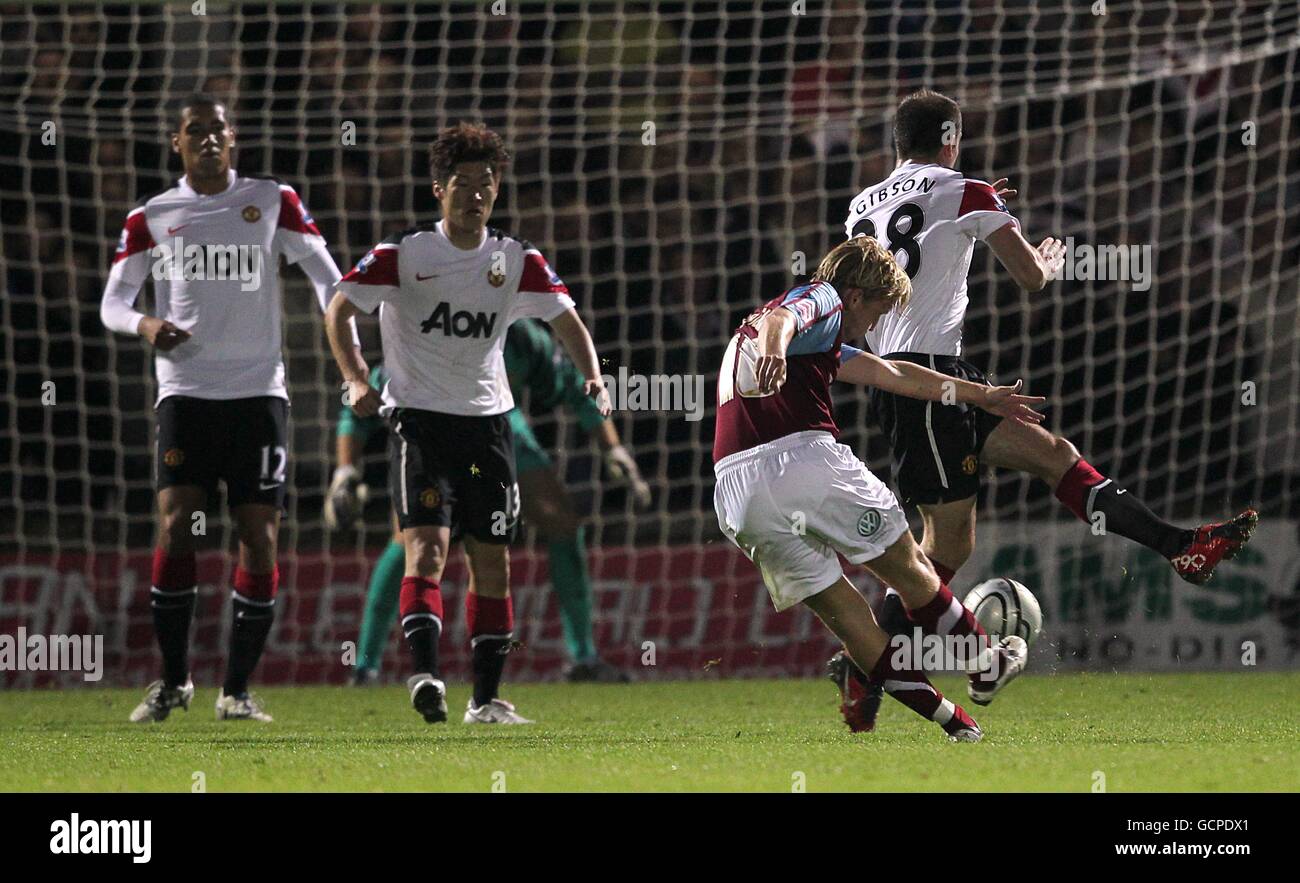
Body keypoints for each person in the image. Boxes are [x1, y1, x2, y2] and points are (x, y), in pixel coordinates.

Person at [829, 88, 1258, 730]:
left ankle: (1181, 547)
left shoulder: (863, 205)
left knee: (1053, 457)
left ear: (898, 142)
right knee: (942, 545)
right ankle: (864, 669)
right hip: (927, 382)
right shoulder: (970, 190)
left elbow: (917, 234)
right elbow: (1029, 278)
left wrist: (980, 205)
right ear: (952, 137)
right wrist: (1044, 255)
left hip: (928, 376)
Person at [323, 122, 611, 725]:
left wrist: (593, 375)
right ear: (438, 190)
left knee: (491, 561)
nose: (475, 194)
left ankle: (484, 700)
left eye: (487, 183)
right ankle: (425, 675)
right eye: (462, 183)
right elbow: (339, 309)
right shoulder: (403, 254)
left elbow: (567, 320)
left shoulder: (516, 259)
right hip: (421, 426)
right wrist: (353, 379)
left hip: (489, 430)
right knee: (425, 549)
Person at [713, 237, 1046, 741]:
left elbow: (892, 373)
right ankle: (985, 662)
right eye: (878, 312)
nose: (873, 328)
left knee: (854, 624)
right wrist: (776, 353)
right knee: (910, 567)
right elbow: (780, 323)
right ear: (855, 294)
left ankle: (955, 724)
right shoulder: (822, 298)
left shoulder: (812, 340)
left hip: (738, 494)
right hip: (801, 462)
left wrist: (981, 395)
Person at [100, 94, 350, 723]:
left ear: (232, 138)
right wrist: (144, 324)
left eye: (218, 130)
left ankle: (235, 691)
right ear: (176, 143)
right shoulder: (152, 215)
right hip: (185, 393)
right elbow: (113, 302)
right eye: (195, 131)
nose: (209, 140)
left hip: (259, 393)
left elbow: (326, 277)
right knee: (177, 523)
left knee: (259, 536)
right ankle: (174, 680)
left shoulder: (272, 200)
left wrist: (346, 318)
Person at [328, 324, 651, 686]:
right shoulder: (434, 320)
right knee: (410, 540)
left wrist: (613, 448)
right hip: (435, 427)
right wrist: (346, 470)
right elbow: (365, 396)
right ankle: (365, 666)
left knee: (561, 521)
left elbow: (578, 388)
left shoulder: (523, 337)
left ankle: (584, 657)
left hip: (499, 427)